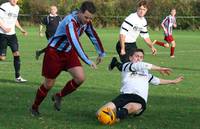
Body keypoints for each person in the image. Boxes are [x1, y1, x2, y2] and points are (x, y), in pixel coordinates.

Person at [30, 1, 105, 116]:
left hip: (68, 52)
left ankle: (58, 96)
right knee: (48, 84)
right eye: (86, 17)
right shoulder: (70, 22)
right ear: (79, 12)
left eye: (90, 18)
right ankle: (34, 107)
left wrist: (101, 52)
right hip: (54, 53)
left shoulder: (86, 22)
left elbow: (93, 35)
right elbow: (74, 42)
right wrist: (87, 60)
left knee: (80, 78)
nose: (88, 20)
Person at [97, 49, 184, 124]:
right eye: (136, 56)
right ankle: (115, 113)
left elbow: (157, 81)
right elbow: (140, 65)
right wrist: (160, 68)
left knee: (131, 106)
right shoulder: (126, 66)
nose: (139, 58)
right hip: (124, 96)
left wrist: (173, 81)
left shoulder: (145, 72)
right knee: (99, 113)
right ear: (131, 58)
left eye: (141, 57)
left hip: (139, 99)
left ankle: (116, 117)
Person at [108, 0, 157, 71]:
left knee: (136, 66)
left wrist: (151, 46)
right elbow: (122, 34)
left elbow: (145, 36)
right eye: (140, 9)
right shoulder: (131, 18)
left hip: (133, 45)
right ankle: (115, 63)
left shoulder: (143, 21)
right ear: (137, 9)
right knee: (128, 68)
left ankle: (115, 63)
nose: (141, 11)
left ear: (146, 10)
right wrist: (122, 48)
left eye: (144, 9)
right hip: (123, 44)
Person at [0, 0, 28, 82]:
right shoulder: (4, 6)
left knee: (16, 54)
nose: (14, 0)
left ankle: (18, 77)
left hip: (12, 35)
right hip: (2, 35)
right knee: (2, 58)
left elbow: (15, 20)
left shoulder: (17, 8)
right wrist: (4, 28)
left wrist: (21, 29)